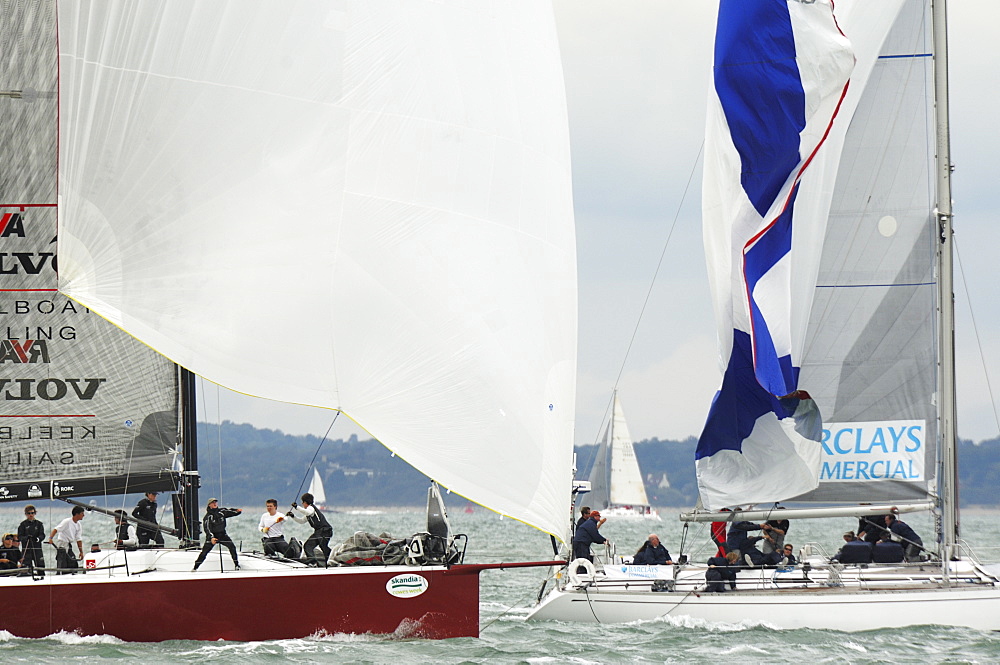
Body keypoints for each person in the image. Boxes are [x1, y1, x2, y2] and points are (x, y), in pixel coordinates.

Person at [192, 498, 242, 571]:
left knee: (232, 547)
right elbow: (207, 529)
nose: (215, 504)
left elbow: (230, 512)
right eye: (213, 503)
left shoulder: (221, 512)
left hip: (222, 535)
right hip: (212, 536)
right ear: (209, 505)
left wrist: (237, 511)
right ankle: (195, 567)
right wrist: (211, 538)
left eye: (215, 502)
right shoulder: (207, 517)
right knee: (204, 552)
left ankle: (237, 565)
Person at [290, 492, 333, 566]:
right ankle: (314, 561)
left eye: (302, 503)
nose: (302, 504)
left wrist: (297, 507)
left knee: (320, 546)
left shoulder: (311, 508)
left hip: (324, 531)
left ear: (305, 502)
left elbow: (307, 512)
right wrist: (293, 516)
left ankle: (320, 560)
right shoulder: (309, 513)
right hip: (320, 531)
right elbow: (301, 521)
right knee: (308, 545)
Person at [48, 506, 85, 573]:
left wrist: (81, 552)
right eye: (82, 513)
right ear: (77, 514)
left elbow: (78, 539)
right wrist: (50, 538)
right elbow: (56, 529)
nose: (83, 515)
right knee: (62, 563)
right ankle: (60, 575)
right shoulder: (67, 521)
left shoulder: (78, 525)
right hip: (62, 544)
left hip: (69, 545)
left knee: (73, 563)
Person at [17, 505, 45, 575]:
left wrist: (37, 539)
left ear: (35, 513)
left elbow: (42, 535)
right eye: (29, 513)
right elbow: (19, 536)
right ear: (26, 514)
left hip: (37, 548)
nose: (31, 515)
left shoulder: (39, 524)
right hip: (27, 549)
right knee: (26, 567)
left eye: (32, 513)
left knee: (40, 566)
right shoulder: (23, 525)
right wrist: (26, 538)